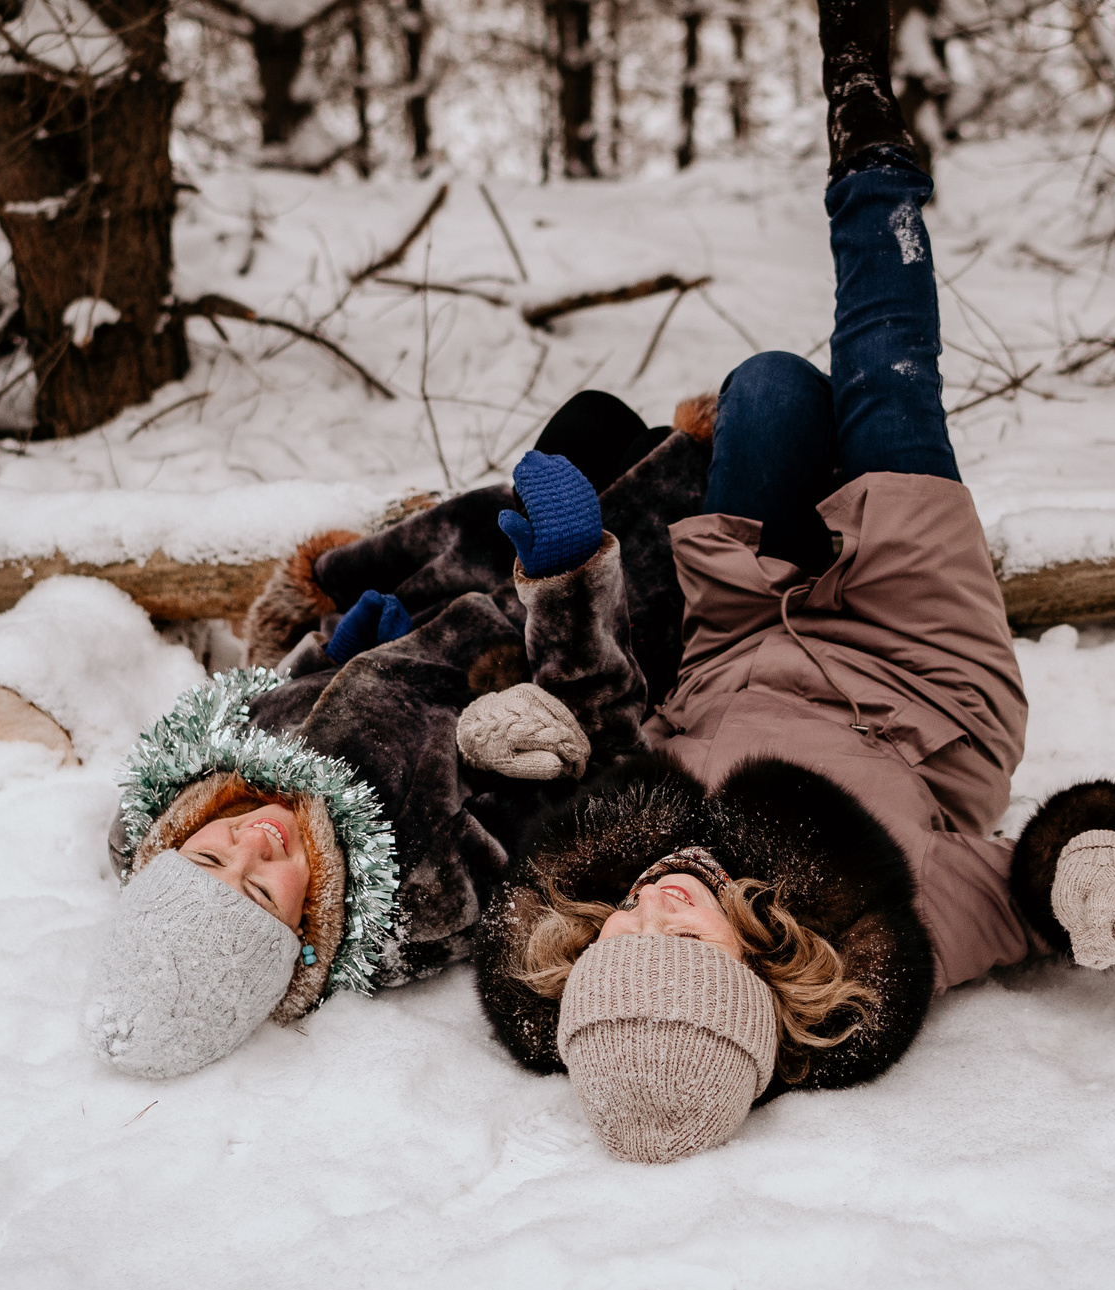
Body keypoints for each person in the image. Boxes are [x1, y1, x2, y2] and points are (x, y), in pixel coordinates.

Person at [470, 0, 1115, 1163]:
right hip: (920, 675)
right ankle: (866, 130)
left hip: (748, 627)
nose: (652, 906)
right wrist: (1101, 864)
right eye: (678, 942)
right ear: (756, 981)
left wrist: (523, 712)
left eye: (619, 939)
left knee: (764, 391)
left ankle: (803, 439)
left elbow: (587, 718)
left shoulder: (591, 868)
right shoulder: (882, 930)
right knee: (886, 380)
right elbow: (1034, 884)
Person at [82, 387, 725, 1078]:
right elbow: (603, 750)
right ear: (301, 940)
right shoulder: (422, 886)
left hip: (446, 577)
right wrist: (571, 580)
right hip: (577, 620)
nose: (253, 845)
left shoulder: (183, 786)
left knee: (594, 419)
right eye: (263, 892)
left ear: (171, 844)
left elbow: (265, 695)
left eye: (210, 859)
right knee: (686, 458)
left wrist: (332, 653)